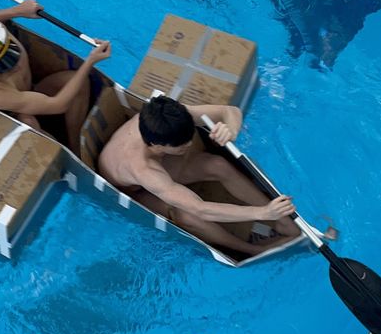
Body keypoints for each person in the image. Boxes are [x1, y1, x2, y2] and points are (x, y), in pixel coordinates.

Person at [98, 95, 301, 255]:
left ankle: (282, 221)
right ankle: (252, 249)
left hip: (157, 159)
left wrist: (231, 130)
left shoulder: (168, 118)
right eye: (180, 146)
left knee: (218, 165)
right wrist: (262, 213)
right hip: (131, 190)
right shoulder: (144, 170)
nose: (188, 146)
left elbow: (229, 111)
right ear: (158, 145)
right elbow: (201, 209)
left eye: (188, 139)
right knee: (186, 214)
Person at [0, 0, 110, 152]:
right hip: (14, 112)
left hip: (31, 90)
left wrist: (19, 10)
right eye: (5, 67)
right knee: (29, 124)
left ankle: (76, 146)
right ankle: (63, 155)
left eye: (11, 55)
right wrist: (90, 61)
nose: (17, 65)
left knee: (77, 82)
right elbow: (58, 104)